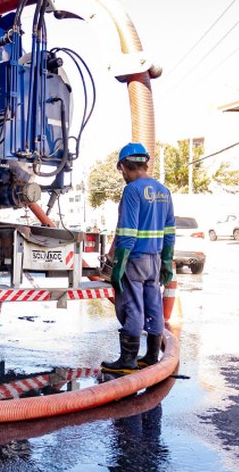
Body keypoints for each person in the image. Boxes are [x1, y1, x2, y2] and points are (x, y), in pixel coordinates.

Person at [102, 143, 175, 374]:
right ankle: (152, 356)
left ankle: (128, 361)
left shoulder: (132, 191)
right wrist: (166, 261)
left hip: (135, 259)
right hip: (155, 259)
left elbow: (127, 232)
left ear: (124, 167)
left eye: (121, 170)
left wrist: (118, 265)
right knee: (154, 305)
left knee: (132, 306)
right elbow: (170, 231)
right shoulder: (163, 191)